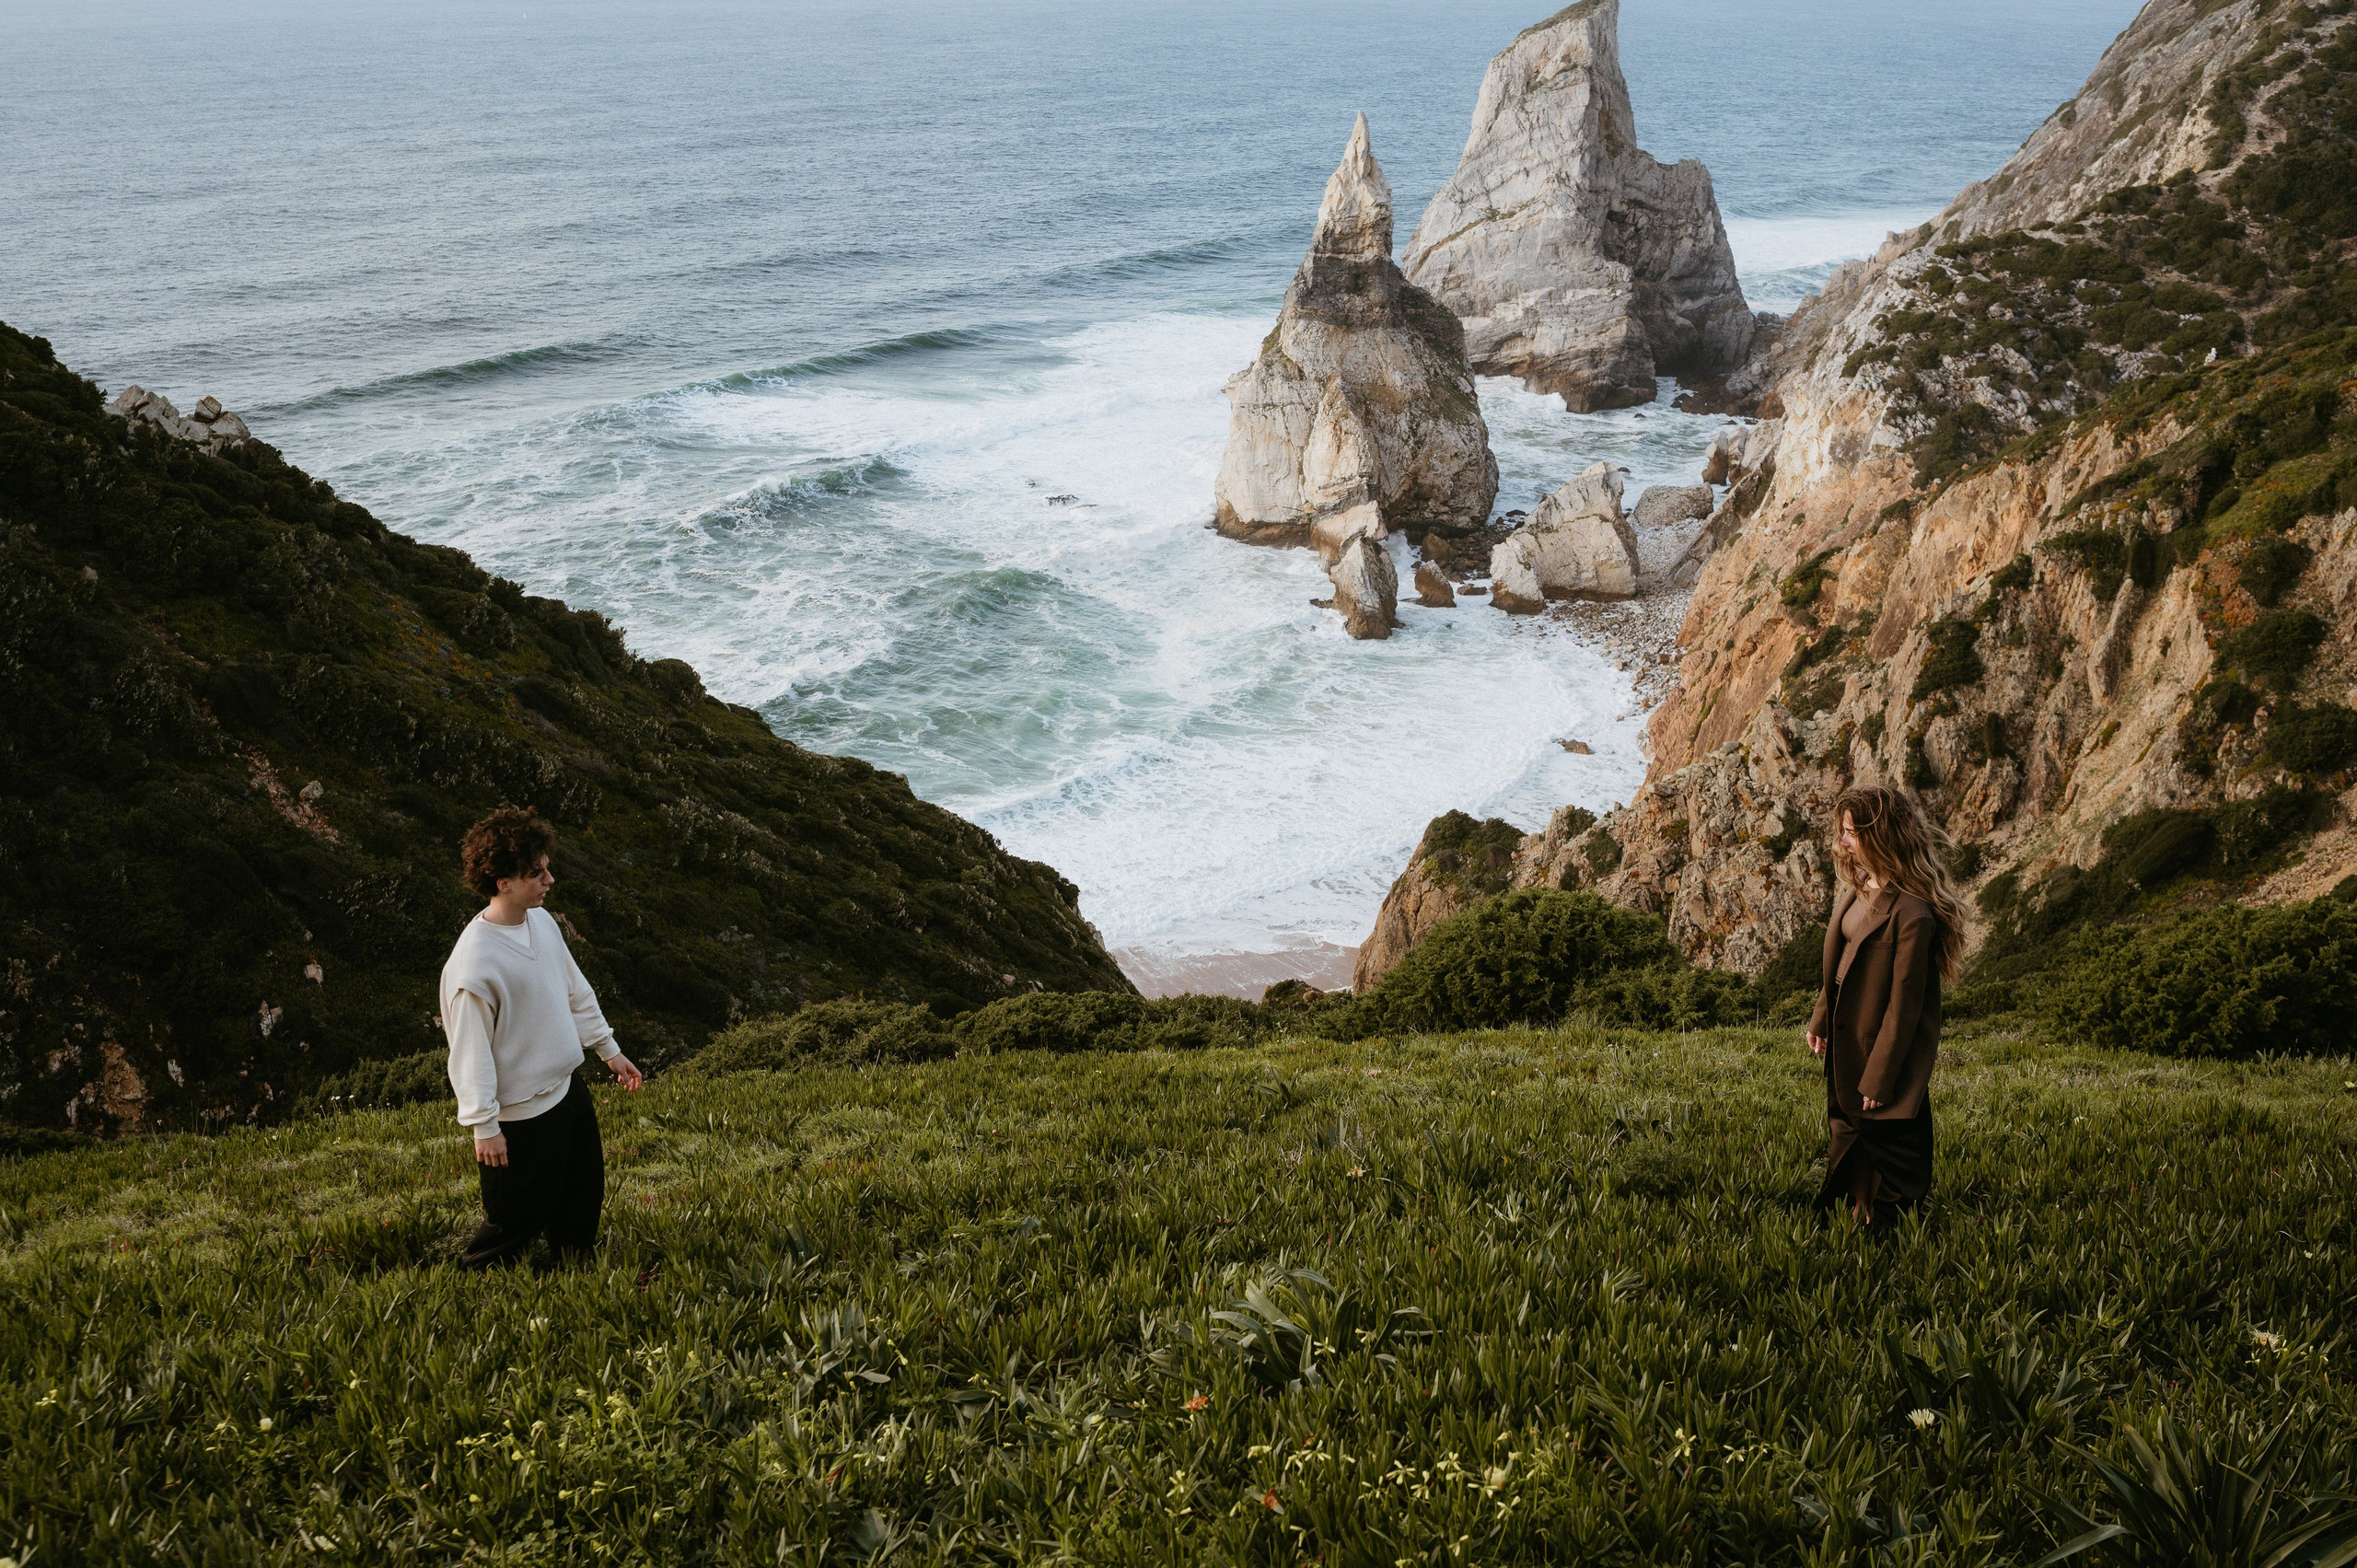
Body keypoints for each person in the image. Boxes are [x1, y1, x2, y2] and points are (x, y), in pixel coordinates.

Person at [441, 807, 642, 1268]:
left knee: (581, 1195)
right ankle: (475, 1283)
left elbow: (575, 990)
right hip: (519, 1117)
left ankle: (572, 1269)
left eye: (547, 867)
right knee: (513, 1220)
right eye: (537, 873)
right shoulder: (474, 966)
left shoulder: (543, 923)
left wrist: (608, 1051)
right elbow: (469, 1055)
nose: (549, 880)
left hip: (568, 1092)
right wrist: (484, 1127)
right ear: (502, 883)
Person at [1803, 785, 1967, 1230]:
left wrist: (1881, 1076)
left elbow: (1905, 1008)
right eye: (1842, 832)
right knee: (1847, 1123)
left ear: (1881, 835)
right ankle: (1853, 1210)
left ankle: (1890, 1228)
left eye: (1852, 833)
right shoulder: (1859, 889)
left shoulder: (1912, 913)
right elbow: (1839, 963)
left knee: (1889, 1131)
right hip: (1845, 1031)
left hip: (1877, 1042)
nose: (1843, 843)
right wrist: (1820, 1018)